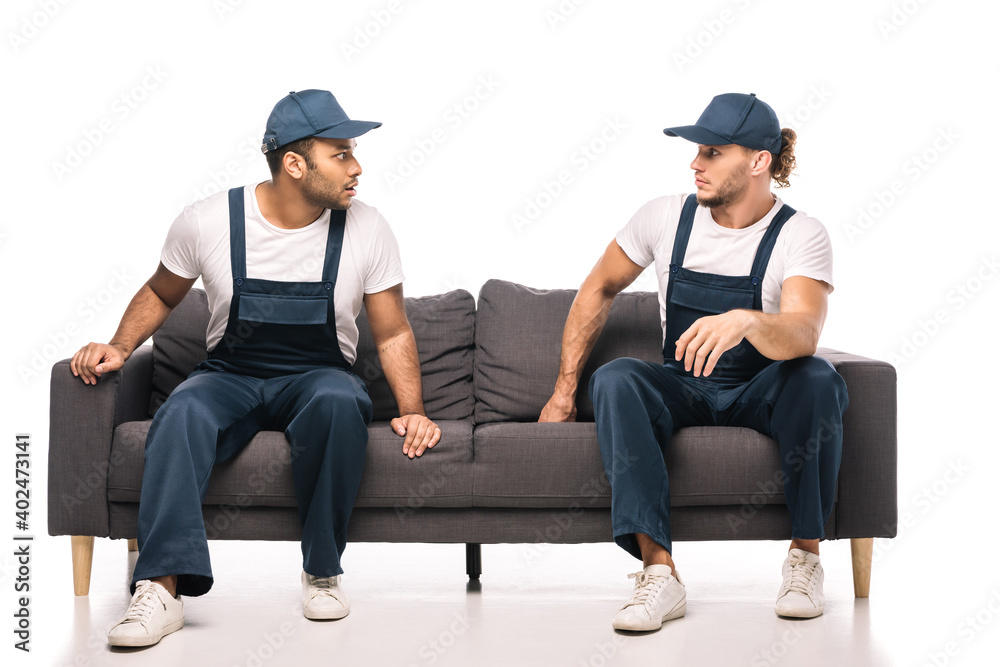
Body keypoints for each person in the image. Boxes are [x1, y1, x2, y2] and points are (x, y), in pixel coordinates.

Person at [70, 89, 441, 647]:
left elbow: (391, 331)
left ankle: (322, 571)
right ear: (295, 164)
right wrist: (122, 346)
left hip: (319, 376)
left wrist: (413, 411)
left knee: (340, 402)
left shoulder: (367, 227)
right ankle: (160, 589)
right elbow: (161, 291)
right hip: (230, 373)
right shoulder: (209, 220)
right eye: (341, 153)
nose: (357, 167)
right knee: (181, 412)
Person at [539, 93, 848, 631]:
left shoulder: (801, 233)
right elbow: (599, 287)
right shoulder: (663, 216)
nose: (694, 164)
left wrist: (748, 321)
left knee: (819, 377)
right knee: (616, 378)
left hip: (760, 389)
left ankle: (804, 558)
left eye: (711, 152)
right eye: (696, 151)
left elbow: (804, 331)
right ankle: (660, 575)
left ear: (758, 162)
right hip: (682, 384)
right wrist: (564, 392)